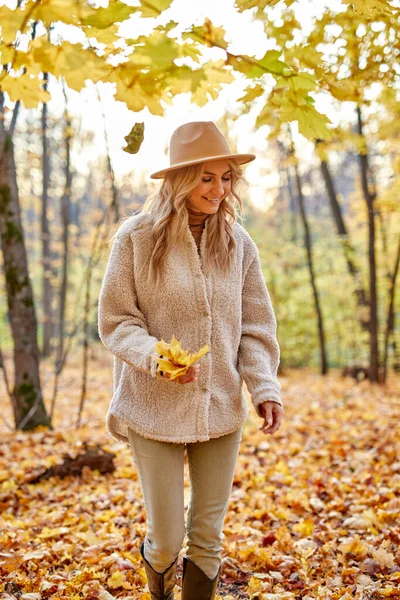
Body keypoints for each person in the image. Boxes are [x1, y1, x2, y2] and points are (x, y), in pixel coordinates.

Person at [97, 121, 283, 600]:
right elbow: (117, 321)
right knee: (168, 542)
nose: (218, 189)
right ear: (179, 178)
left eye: (225, 178)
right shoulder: (135, 238)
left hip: (221, 406)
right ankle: (156, 572)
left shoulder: (239, 244)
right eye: (206, 178)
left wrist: (263, 386)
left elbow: (256, 327)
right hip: (151, 409)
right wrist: (156, 357)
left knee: (206, 541)